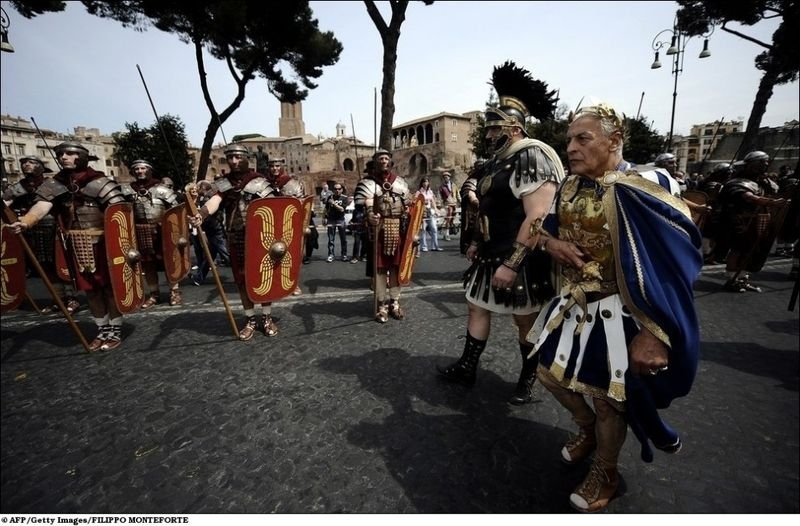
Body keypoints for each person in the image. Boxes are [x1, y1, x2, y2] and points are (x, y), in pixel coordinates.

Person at [527, 102, 702, 512]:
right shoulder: (569, 185)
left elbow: (674, 263)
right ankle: (586, 430)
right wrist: (553, 244)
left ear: (615, 140)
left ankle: (606, 469)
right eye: (569, 139)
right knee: (547, 375)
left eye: (582, 138)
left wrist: (655, 330)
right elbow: (541, 231)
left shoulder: (648, 183)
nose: (570, 147)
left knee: (609, 399)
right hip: (573, 305)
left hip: (624, 314)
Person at [436, 61, 565, 406]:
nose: (489, 135)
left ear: (514, 128)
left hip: (520, 256)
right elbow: (487, 206)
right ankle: (468, 366)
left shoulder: (532, 156)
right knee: (476, 308)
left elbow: (537, 216)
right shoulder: (496, 161)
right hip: (492, 252)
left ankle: (529, 378)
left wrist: (512, 263)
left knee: (525, 322)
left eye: (495, 129)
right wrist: (477, 239)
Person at [8, 142, 130, 351]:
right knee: (90, 291)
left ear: (82, 156)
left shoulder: (100, 182)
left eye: (70, 153)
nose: (64, 157)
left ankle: (115, 330)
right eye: (61, 154)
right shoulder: (55, 184)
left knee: (110, 289)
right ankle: (102, 330)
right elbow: (42, 205)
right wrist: (26, 221)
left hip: (104, 244)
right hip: (75, 243)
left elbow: (119, 214)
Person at [189, 143, 279, 340]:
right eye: (230, 157)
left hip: (260, 237)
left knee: (263, 278)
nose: (234, 161)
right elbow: (215, 201)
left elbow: (274, 209)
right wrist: (202, 214)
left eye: (238, 157)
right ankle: (250, 319)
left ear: (247, 159)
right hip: (236, 236)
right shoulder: (224, 183)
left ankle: (266, 317)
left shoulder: (260, 182)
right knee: (241, 280)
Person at [2, 155, 80, 314]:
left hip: (53, 229)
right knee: (44, 268)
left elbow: (68, 209)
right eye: (24, 163)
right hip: (28, 230)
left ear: (41, 166)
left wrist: (67, 225)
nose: (26, 165)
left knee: (60, 265)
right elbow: (4, 205)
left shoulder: (52, 185)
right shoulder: (18, 187)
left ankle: (71, 299)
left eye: (31, 162)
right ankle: (57, 299)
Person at [354, 149, 413, 323]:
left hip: (397, 230)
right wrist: (369, 215)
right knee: (380, 270)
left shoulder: (400, 183)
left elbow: (409, 206)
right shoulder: (368, 183)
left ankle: (394, 302)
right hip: (377, 231)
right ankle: (381, 304)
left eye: (387, 158)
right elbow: (361, 208)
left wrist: (408, 216)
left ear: (390, 162)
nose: (384, 161)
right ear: (375, 162)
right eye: (381, 158)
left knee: (395, 267)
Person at [717, 150, 789, 292]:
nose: (766, 165)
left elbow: (774, 191)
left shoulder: (762, 181)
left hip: (756, 222)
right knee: (738, 249)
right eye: (762, 162)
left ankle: (742, 279)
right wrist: (771, 202)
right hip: (739, 222)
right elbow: (748, 197)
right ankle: (732, 279)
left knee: (750, 251)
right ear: (752, 164)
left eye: (767, 162)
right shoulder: (737, 181)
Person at [120, 160, 182, 308]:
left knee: (169, 263)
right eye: (137, 169)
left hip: (162, 232)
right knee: (148, 264)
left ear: (150, 170)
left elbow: (176, 212)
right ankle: (154, 294)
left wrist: (173, 229)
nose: (140, 171)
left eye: (143, 168)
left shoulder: (162, 190)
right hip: (140, 232)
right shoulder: (127, 192)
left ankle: (174, 292)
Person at [187, 180, 230, 285]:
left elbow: (211, 207)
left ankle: (243, 272)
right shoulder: (200, 198)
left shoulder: (211, 197)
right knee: (210, 255)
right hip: (209, 228)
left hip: (215, 229)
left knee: (226, 254)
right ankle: (199, 278)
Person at [324, 182, 350, 262]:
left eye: (339, 189)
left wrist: (334, 204)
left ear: (342, 190)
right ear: (333, 190)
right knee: (331, 239)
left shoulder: (345, 198)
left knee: (343, 239)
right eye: (335, 189)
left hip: (340, 219)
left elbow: (342, 209)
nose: (337, 190)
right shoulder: (330, 197)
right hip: (331, 219)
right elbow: (326, 209)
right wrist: (324, 218)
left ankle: (344, 255)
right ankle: (331, 255)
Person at [416, 177, 442, 252]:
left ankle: (435, 246)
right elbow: (416, 201)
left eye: (426, 182)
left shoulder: (430, 191)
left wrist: (436, 209)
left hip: (430, 211)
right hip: (422, 211)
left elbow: (432, 201)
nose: (425, 183)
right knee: (423, 229)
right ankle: (424, 246)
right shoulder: (419, 192)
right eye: (424, 182)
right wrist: (423, 202)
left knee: (434, 228)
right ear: (422, 183)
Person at [439, 172, 458, 241]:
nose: (446, 178)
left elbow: (457, 193)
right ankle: (446, 234)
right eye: (444, 177)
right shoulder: (442, 187)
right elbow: (440, 196)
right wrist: (440, 204)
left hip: (454, 203)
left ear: (449, 177)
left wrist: (460, 200)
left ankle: (448, 231)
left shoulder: (453, 185)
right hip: (447, 204)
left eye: (447, 177)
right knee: (448, 218)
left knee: (452, 218)